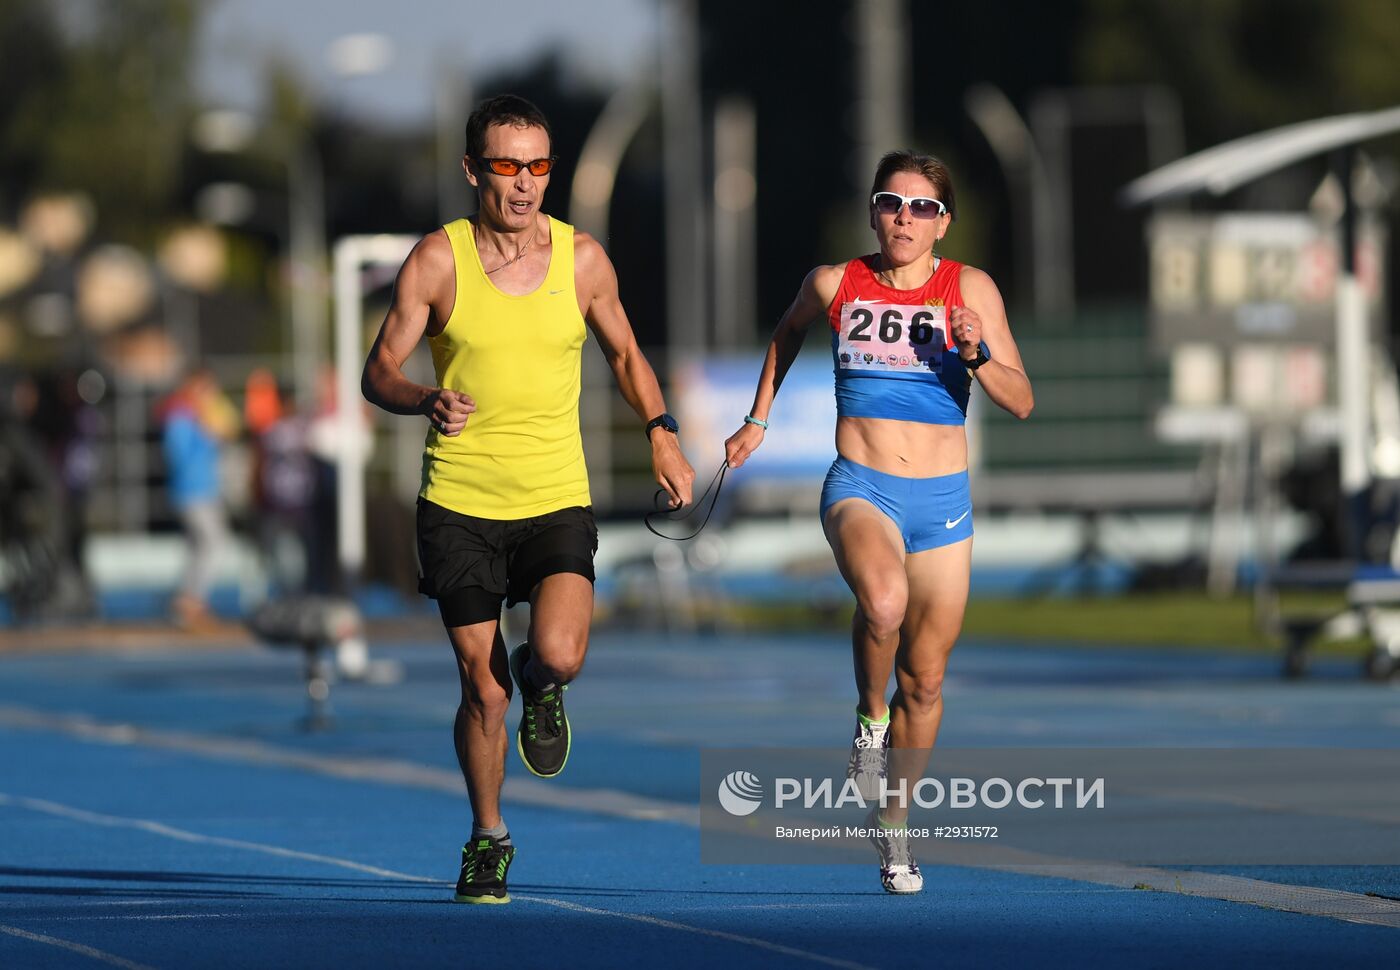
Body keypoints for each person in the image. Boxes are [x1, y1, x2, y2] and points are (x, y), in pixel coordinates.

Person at [361, 94, 695, 905]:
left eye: (539, 166)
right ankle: (488, 837)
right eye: (507, 166)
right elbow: (377, 372)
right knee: (480, 689)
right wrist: (423, 400)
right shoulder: (437, 262)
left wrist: (661, 430)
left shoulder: (584, 260)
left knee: (560, 654)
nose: (524, 184)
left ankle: (542, 684)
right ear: (474, 170)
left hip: (553, 496)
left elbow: (624, 352)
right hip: (460, 502)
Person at [724, 151, 1033, 895]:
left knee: (924, 683)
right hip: (862, 485)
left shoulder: (970, 290)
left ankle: (894, 825)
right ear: (873, 211)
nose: (905, 218)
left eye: (922, 207)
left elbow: (1020, 399)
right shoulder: (836, 283)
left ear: (943, 223)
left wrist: (977, 351)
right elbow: (786, 332)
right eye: (892, 202)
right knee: (883, 602)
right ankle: (868, 720)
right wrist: (757, 420)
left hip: (944, 503)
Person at [161, 366, 240, 629]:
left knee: (199, 547)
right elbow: (179, 456)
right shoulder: (180, 415)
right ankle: (191, 601)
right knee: (213, 544)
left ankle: (187, 601)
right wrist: (208, 436)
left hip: (204, 490)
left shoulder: (196, 414)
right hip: (191, 492)